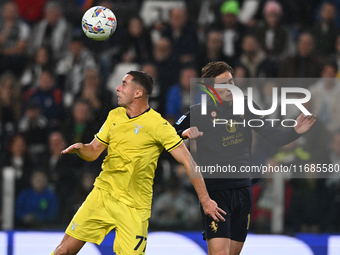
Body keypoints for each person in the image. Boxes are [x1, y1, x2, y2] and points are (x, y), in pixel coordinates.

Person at [51, 70, 225, 255]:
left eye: (124, 84)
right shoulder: (114, 116)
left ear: (138, 93)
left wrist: (206, 200)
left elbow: (189, 163)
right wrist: (82, 148)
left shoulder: (158, 125)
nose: (118, 88)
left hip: (134, 207)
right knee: (63, 251)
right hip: (102, 195)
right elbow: (93, 152)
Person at [174, 61, 316, 255]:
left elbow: (275, 136)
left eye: (231, 81)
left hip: (243, 191)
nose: (230, 87)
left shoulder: (247, 105)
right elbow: (171, 133)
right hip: (216, 192)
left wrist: (295, 131)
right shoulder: (199, 111)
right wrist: (184, 134)